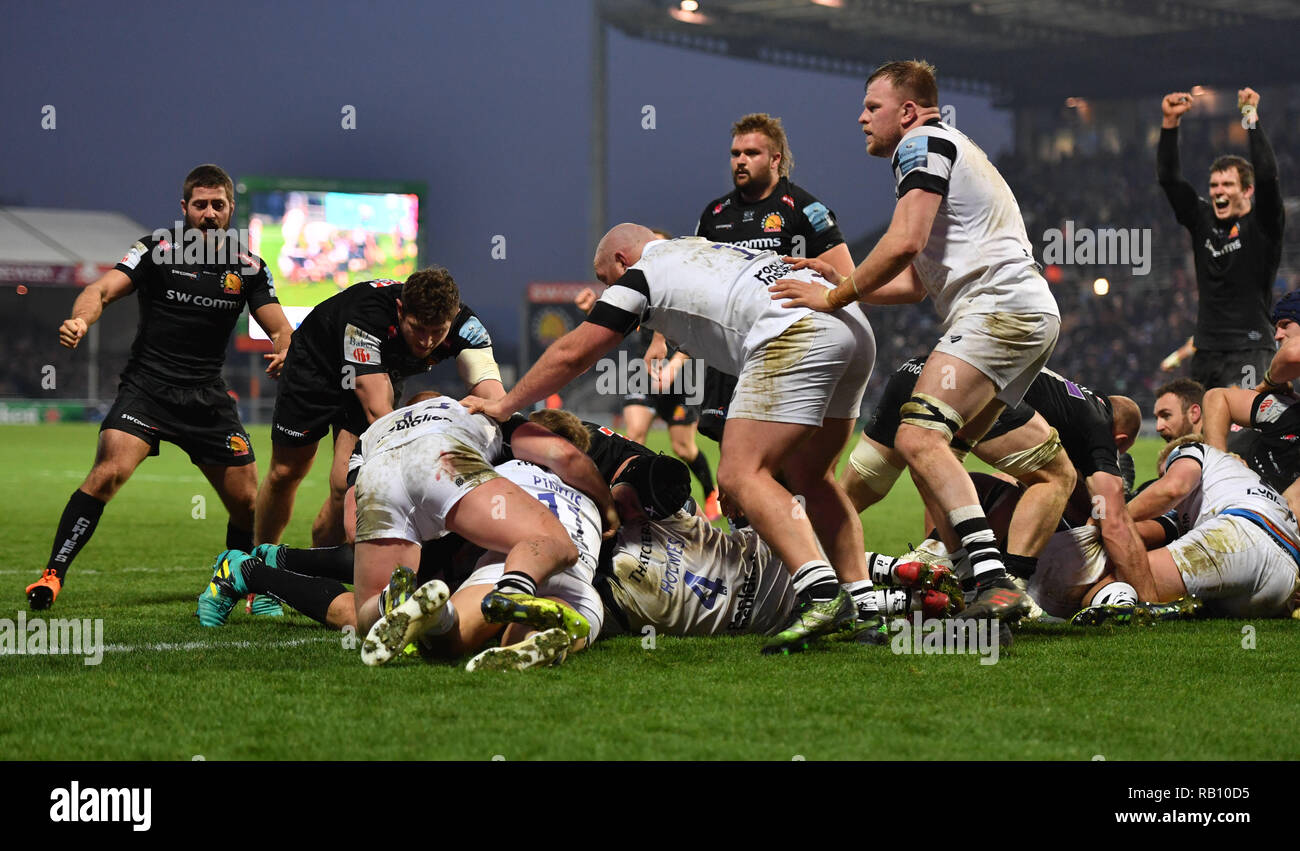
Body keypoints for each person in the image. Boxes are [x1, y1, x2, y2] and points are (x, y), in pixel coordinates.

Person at [464, 225, 879, 655]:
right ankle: (867, 609)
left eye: (607, 279)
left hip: (796, 329)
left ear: (622, 262)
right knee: (813, 478)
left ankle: (821, 596)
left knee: (739, 475)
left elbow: (574, 353)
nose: (609, 289)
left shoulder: (639, 276)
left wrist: (506, 404)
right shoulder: (697, 248)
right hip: (851, 326)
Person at [772, 59, 1059, 621]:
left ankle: (993, 580)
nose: (861, 118)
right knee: (937, 448)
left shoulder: (921, 143)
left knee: (918, 437)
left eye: (871, 107)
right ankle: (968, 573)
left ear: (906, 111)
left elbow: (904, 242)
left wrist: (832, 298)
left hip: (997, 308)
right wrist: (845, 282)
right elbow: (913, 282)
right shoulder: (949, 145)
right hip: (1026, 313)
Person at [27, 164, 292, 611]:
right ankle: (52, 575)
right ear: (184, 208)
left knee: (249, 502)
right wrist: (80, 319)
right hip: (147, 390)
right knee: (108, 473)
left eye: (218, 205)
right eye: (201, 205)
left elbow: (280, 326)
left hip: (206, 397)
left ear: (230, 210)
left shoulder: (248, 266)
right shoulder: (156, 249)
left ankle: (240, 583)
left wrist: (287, 348)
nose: (209, 214)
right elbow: (102, 290)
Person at [348, 395, 617, 666]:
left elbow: (350, 521)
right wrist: (609, 508)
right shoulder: (590, 495)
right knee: (554, 543)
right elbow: (566, 457)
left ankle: (416, 610)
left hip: (383, 477)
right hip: (568, 575)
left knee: (444, 642)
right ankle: (532, 627)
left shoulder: (504, 468)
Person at [254, 268, 505, 549]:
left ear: (454, 316)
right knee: (286, 471)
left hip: (379, 371)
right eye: (418, 328)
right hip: (316, 367)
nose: (426, 341)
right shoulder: (366, 315)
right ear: (400, 310)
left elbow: (495, 401)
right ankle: (257, 561)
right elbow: (379, 415)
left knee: (345, 484)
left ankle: (312, 570)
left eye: (438, 332)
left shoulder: (467, 327)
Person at [694, 113, 855, 444]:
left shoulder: (804, 209)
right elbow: (696, 281)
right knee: (733, 469)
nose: (741, 161)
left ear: (775, 159)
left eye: (752, 153)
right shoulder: (714, 215)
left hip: (785, 348)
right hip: (729, 353)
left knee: (782, 465)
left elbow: (849, 280)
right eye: (736, 153)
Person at [1157, 87, 1284, 389]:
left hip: (1251, 348)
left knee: (1246, 432)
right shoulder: (1202, 219)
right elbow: (1170, 180)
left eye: (1228, 184)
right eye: (1214, 185)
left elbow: (1266, 175)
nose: (1218, 191)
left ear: (1247, 191)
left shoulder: (1264, 224)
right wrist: (1169, 124)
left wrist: (1250, 116)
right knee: (1205, 433)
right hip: (1206, 350)